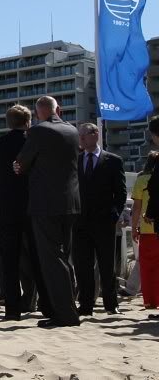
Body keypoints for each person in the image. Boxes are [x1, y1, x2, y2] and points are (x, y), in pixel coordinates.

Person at [14, 96, 81, 328]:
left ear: (38, 112)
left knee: (52, 260)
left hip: (46, 204)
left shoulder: (39, 131)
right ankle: (71, 306)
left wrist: (19, 165)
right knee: (66, 257)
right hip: (71, 203)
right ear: (58, 109)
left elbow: (21, 164)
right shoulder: (72, 130)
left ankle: (65, 313)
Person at [0, 104, 44, 321]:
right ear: (28, 121)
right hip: (32, 206)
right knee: (37, 258)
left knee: (9, 261)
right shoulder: (34, 142)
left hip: (6, 208)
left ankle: (12, 309)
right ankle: (44, 303)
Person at [73, 123, 127, 316]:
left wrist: (114, 215)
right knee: (82, 266)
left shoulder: (113, 161)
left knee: (107, 266)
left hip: (104, 222)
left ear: (95, 135)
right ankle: (86, 305)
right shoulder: (76, 161)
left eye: (83, 135)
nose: (80, 139)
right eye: (79, 136)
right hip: (80, 223)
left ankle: (111, 305)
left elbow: (120, 192)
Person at [132, 151, 159, 309]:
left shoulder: (141, 180)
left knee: (147, 267)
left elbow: (136, 208)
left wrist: (135, 228)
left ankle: (149, 300)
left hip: (147, 229)